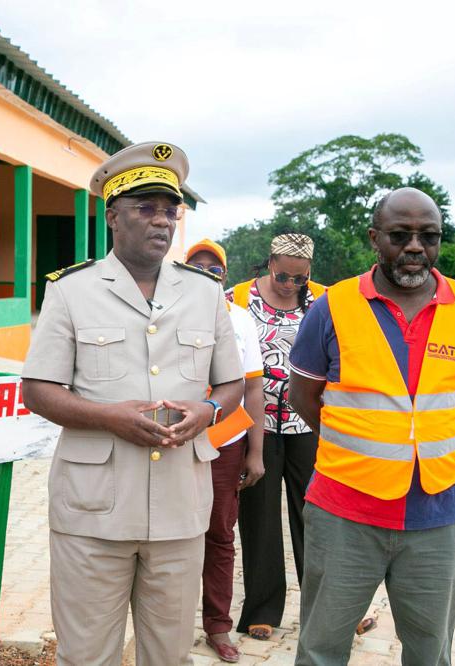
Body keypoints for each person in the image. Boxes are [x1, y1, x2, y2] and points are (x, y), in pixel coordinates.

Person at [21, 142, 244, 666]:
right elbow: (37, 390)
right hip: (93, 511)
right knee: (86, 655)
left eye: (171, 210)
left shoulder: (204, 292)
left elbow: (231, 385)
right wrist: (109, 418)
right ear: (113, 216)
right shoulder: (71, 291)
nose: (162, 220)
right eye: (146, 207)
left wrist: (208, 413)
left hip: (180, 509)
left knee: (168, 656)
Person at [288, 188, 455, 665]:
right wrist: (364, 446)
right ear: (375, 238)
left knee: (430, 653)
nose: (416, 247)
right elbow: (303, 397)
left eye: (429, 236)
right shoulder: (333, 306)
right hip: (344, 513)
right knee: (320, 650)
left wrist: (416, 434)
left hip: (438, 516)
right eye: (400, 235)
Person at [225, 233, 326, 640]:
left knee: (315, 519)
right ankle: (262, 610)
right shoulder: (238, 298)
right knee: (259, 519)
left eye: (298, 279)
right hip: (256, 427)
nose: (289, 285)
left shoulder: (323, 301)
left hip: (307, 425)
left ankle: (328, 609)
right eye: (282, 275)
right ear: (269, 263)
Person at [185, 239, 265, 663]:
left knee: (219, 534)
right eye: (196, 267)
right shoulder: (167, 311)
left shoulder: (240, 320)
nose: (205, 274)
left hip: (225, 442)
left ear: (224, 277)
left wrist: (256, 452)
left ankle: (218, 626)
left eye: (213, 269)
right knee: (175, 536)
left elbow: (253, 387)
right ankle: (173, 624)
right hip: (177, 439)